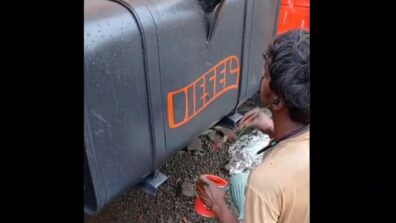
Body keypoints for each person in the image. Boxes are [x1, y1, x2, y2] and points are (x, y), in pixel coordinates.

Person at [197, 29, 310, 223]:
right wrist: (271, 128)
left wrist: (217, 205)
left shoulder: (266, 180)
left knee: (248, 185)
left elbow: (273, 181)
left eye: (266, 76)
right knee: (239, 182)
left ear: (276, 100)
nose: (262, 79)